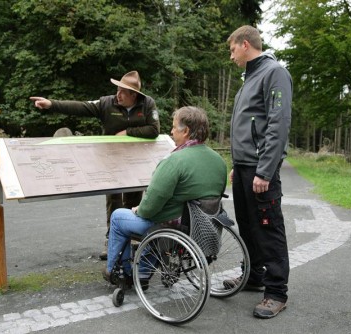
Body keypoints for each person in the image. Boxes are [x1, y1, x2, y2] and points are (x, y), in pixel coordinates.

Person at [30, 71, 160, 260]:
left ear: (134, 95)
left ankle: (131, 241)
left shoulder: (148, 104)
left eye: (123, 92)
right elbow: (81, 107)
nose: (118, 94)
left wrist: (127, 132)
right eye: (118, 89)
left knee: (133, 199)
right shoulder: (107, 103)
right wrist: (51, 104)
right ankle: (112, 240)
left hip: (135, 161)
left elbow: (154, 130)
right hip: (111, 159)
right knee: (114, 200)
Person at [102, 106, 227, 285]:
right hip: (202, 226)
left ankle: (116, 270)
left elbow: (151, 205)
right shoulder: (219, 161)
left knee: (119, 216)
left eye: (174, 127)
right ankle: (143, 273)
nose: (171, 131)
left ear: (187, 131)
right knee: (161, 222)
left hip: (173, 226)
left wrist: (139, 209)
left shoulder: (174, 161)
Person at [225, 25, 292, 319]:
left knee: (267, 227)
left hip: (260, 168)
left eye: (231, 50)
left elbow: (277, 124)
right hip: (244, 167)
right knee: (248, 225)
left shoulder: (274, 73)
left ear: (244, 44)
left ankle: (276, 292)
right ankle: (253, 276)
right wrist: (237, 163)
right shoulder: (249, 78)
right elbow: (248, 126)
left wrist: (264, 171)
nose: (231, 56)